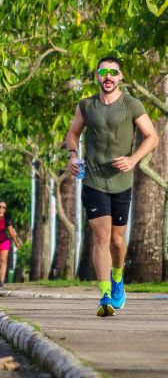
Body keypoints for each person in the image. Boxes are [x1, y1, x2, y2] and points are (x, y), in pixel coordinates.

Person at [66, 57, 158, 317]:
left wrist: (132, 159)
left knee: (117, 241)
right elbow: (73, 134)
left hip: (121, 181)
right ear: (97, 76)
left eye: (113, 73)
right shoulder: (86, 106)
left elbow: (152, 137)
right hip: (94, 180)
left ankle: (118, 278)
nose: (108, 77)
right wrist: (72, 156)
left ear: (120, 77)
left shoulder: (131, 104)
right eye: (103, 72)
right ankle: (105, 293)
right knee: (101, 237)